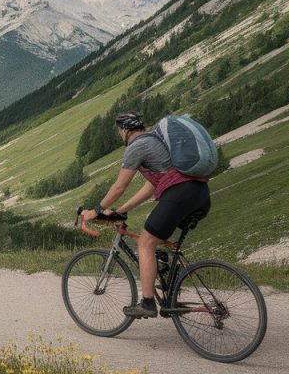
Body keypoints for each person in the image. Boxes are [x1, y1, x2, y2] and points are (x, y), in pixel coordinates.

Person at [82, 111, 211, 318]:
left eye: (119, 130)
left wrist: (96, 210)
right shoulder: (155, 143)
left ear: (125, 130)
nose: (119, 134)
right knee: (160, 241)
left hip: (180, 193)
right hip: (200, 194)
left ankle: (148, 303)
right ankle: (170, 294)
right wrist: (121, 210)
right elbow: (151, 187)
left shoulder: (137, 146)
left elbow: (119, 187)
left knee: (145, 243)